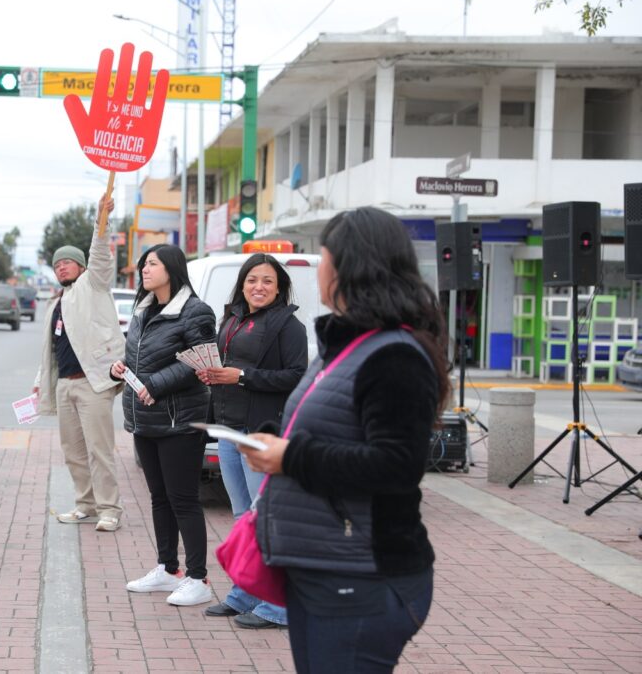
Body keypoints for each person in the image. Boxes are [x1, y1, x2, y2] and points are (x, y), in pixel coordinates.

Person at [244, 207, 450, 673]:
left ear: (348, 269)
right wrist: (273, 441)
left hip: (364, 573)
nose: (318, 271)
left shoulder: (395, 355)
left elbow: (396, 464)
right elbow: (328, 427)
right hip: (324, 566)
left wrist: (290, 456)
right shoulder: (345, 347)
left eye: (323, 259)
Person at [197, 253, 308, 629]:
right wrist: (212, 376)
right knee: (244, 518)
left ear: (279, 288)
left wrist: (241, 376)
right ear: (242, 284)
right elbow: (223, 369)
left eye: (267, 281)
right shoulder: (230, 320)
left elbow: (294, 376)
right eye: (252, 280)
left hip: (261, 432)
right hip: (229, 430)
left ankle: (278, 606)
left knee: (266, 519)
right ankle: (245, 593)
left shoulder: (288, 326)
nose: (258, 287)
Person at [109, 244, 217, 607]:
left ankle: (198, 577)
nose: (144, 269)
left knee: (184, 499)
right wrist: (120, 369)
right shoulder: (143, 309)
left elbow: (199, 361)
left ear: (172, 267)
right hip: (146, 419)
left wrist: (156, 383)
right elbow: (137, 355)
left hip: (181, 419)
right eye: (143, 264)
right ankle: (167, 569)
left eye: (152, 263)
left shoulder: (195, 311)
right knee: (159, 498)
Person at [33, 196, 125, 532]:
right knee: (73, 451)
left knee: (100, 451)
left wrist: (101, 220)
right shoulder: (56, 303)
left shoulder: (93, 284)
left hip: (93, 383)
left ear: (82, 266)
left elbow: (101, 253)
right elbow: (52, 349)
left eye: (68, 263)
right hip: (65, 385)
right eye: (57, 265)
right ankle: (85, 504)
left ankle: (109, 509)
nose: (61, 268)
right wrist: (41, 379)